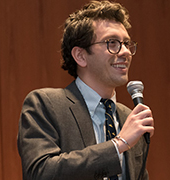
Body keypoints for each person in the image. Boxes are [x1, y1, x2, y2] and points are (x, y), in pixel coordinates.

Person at [17, 1, 154, 180]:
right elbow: (40, 173)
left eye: (127, 43)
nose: (126, 52)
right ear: (81, 56)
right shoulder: (45, 104)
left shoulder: (130, 119)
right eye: (112, 43)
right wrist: (118, 145)